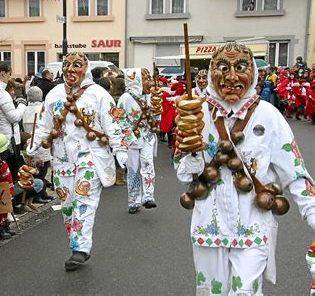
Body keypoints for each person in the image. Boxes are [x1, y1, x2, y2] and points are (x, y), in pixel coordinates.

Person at [174, 42, 315, 295]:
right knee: (211, 291)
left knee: (245, 291)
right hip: (209, 226)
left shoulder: (268, 116)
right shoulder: (196, 114)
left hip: (253, 224)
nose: (231, 77)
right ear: (211, 71)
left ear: (253, 73)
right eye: (223, 68)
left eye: (240, 67)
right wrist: (191, 151)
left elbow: (294, 171)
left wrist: (312, 212)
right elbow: (183, 173)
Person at [27, 52, 127, 271]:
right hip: (62, 159)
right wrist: (33, 146)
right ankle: (75, 243)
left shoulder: (98, 94)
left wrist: (119, 148)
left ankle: (80, 249)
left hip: (90, 156)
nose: (71, 71)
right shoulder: (54, 94)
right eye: (67, 66)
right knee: (68, 204)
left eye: (77, 66)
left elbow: (112, 123)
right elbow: (44, 124)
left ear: (86, 68)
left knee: (84, 199)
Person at [116, 68, 159, 214]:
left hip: (147, 136)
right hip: (132, 139)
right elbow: (120, 119)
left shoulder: (150, 97)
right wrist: (129, 136)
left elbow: (155, 117)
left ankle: (148, 197)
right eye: (147, 79)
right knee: (133, 170)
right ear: (137, 80)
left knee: (148, 164)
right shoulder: (125, 98)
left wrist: (157, 112)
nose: (151, 83)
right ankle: (134, 201)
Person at [0, 62, 27, 181]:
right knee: (11, 174)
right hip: (8, 138)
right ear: (3, 74)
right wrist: (22, 105)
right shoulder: (2, 94)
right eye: (9, 74)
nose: (10, 77)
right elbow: (14, 117)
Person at [22, 87, 53, 203]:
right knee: (40, 171)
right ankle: (38, 194)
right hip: (41, 143)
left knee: (36, 171)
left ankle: (41, 192)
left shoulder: (25, 109)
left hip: (30, 142)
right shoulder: (42, 108)